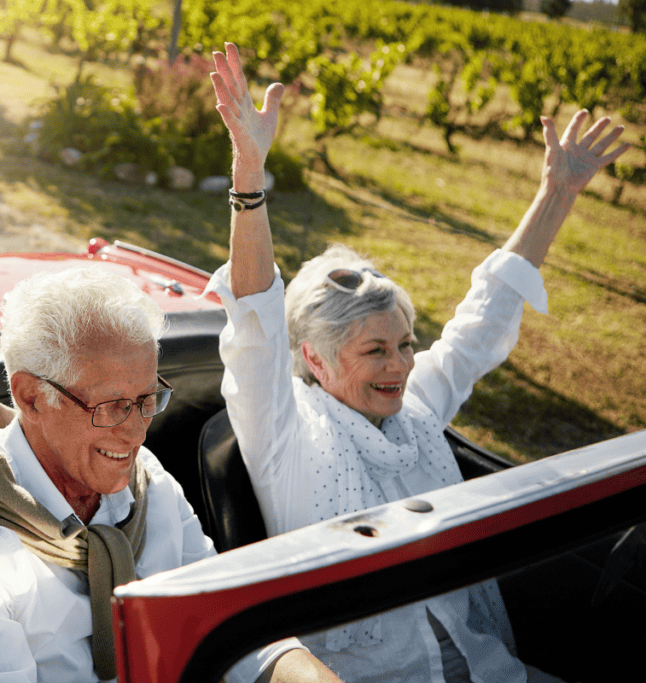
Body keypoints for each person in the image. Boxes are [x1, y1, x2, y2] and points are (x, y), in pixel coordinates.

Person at [204, 42, 630, 683]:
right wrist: (249, 171)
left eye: (405, 344)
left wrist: (557, 191)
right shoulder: (284, 434)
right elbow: (256, 317)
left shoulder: (414, 408)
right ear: (315, 358)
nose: (401, 366)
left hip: (490, 668)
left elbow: (484, 317)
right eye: (375, 350)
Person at [0, 267, 342, 683]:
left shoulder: (147, 483)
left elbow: (231, 622)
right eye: (111, 405)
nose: (135, 432)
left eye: (147, 399)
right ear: (31, 397)